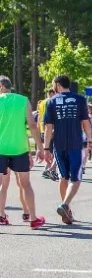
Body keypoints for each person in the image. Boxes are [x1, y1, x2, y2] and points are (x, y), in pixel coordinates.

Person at [43, 75, 92, 225]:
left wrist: (46, 147)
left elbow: (48, 127)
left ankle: (66, 212)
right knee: (76, 178)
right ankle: (65, 205)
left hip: (59, 145)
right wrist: (91, 140)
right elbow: (86, 122)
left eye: (53, 84)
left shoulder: (51, 101)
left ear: (58, 85)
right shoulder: (79, 99)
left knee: (63, 177)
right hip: (75, 144)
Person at [0, 75, 48, 228]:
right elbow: (33, 126)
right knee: (26, 184)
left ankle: (1, 216)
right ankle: (33, 219)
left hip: (1, 148)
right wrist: (40, 148)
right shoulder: (23, 100)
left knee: (2, 185)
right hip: (19, 148)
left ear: (1, 86)